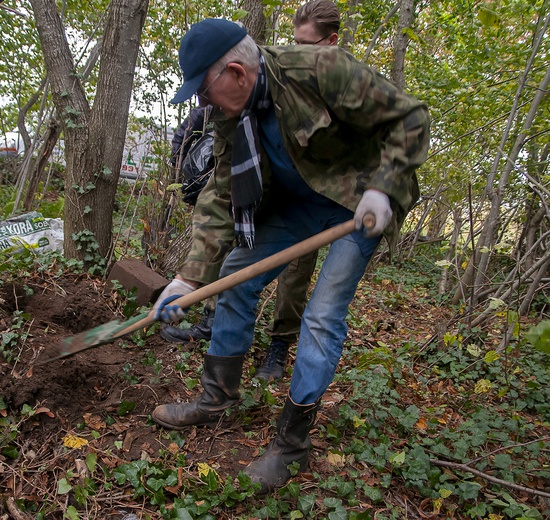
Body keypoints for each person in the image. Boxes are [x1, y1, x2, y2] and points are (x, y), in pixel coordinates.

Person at [151, 18, 429, 494]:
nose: (201, 102)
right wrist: (189, 278)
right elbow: (221, 193)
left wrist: (384, 188)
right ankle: (217, 398)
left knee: (322, 313)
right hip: (295, 205)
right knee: (237, 276)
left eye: (203, 90)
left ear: (237, 74)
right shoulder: (226, 113)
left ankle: (291, 444)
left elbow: (412, 117)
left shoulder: (319, 69)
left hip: (357, 203)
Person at [160, 2, 344, 380]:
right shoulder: (246, 95)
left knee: (299, 280)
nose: (299, 51)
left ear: (331, 43)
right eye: (295, 42)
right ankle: (218, 376)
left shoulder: (335, 84)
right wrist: (189, 277)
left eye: (308, 44)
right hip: (271, 198)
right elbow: (221, 190)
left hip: (323, 203)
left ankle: (279, 346)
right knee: (236, 267)